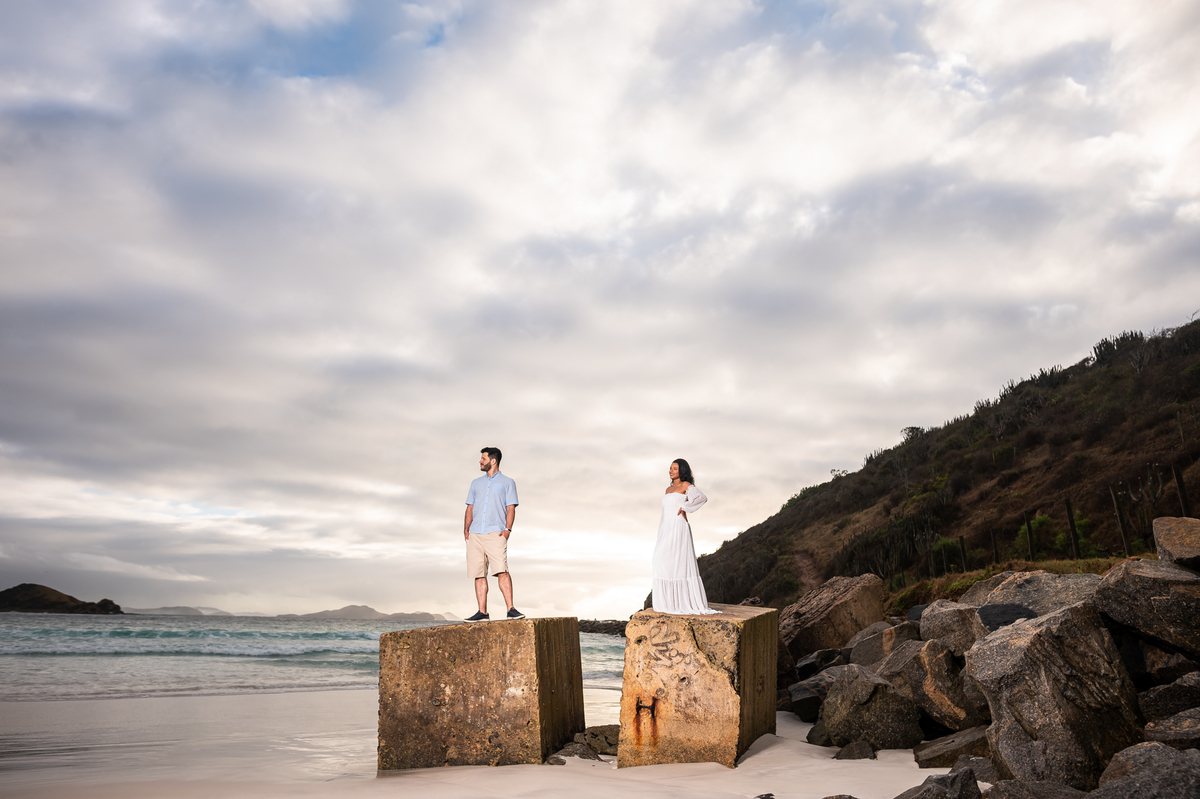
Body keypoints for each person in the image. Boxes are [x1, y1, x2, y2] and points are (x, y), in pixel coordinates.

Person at [463, 447, 524, 622]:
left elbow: (510, 507)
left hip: (496, 533)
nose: (480, 462)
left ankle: (511, 609)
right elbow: (470, 507)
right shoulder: (475, 483)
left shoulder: (507, 482)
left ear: (493, 460)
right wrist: (466, 529)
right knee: (478, 573)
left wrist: (507, 530)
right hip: (475, 534)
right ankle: (482, 612)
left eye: (483, 459)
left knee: (502, 571)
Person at [652, 458, 719, 615]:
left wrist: (685, 507)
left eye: (674, 468)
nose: (671, 471)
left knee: (679, 563)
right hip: (666, 527)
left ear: (681, 470)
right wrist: (660, 532)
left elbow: (702, 498)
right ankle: (669, 602)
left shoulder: (686, 486)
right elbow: (664, 513)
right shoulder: (668, 490)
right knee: (659, 559)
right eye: (670, 468)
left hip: (679, 526)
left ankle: (683, 602)